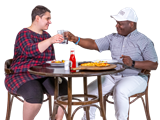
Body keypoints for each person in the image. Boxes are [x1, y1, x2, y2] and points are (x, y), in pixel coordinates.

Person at [65, 7, 159, 120]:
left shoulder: (145, 41)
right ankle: (88, 118)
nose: (116, 25)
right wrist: (76, 39)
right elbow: (94, 44)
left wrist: (133, 63)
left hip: (135, 77)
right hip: (113, 75)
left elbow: (154, 65)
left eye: (120, 23)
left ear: (131, 24)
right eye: (116, 23)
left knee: (120, 90)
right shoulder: (113, 37)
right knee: (90, 90)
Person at [4, 5, 68, 120]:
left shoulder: (46, 35)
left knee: (63, 87)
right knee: (34, 96)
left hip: (44, 74)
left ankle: (58, 119)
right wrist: (50, 41)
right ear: (37, 18)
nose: (50, 22)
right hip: (22, 74)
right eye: (47, 19)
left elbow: (49, 58)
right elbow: (29, 51)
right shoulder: (24, 33)